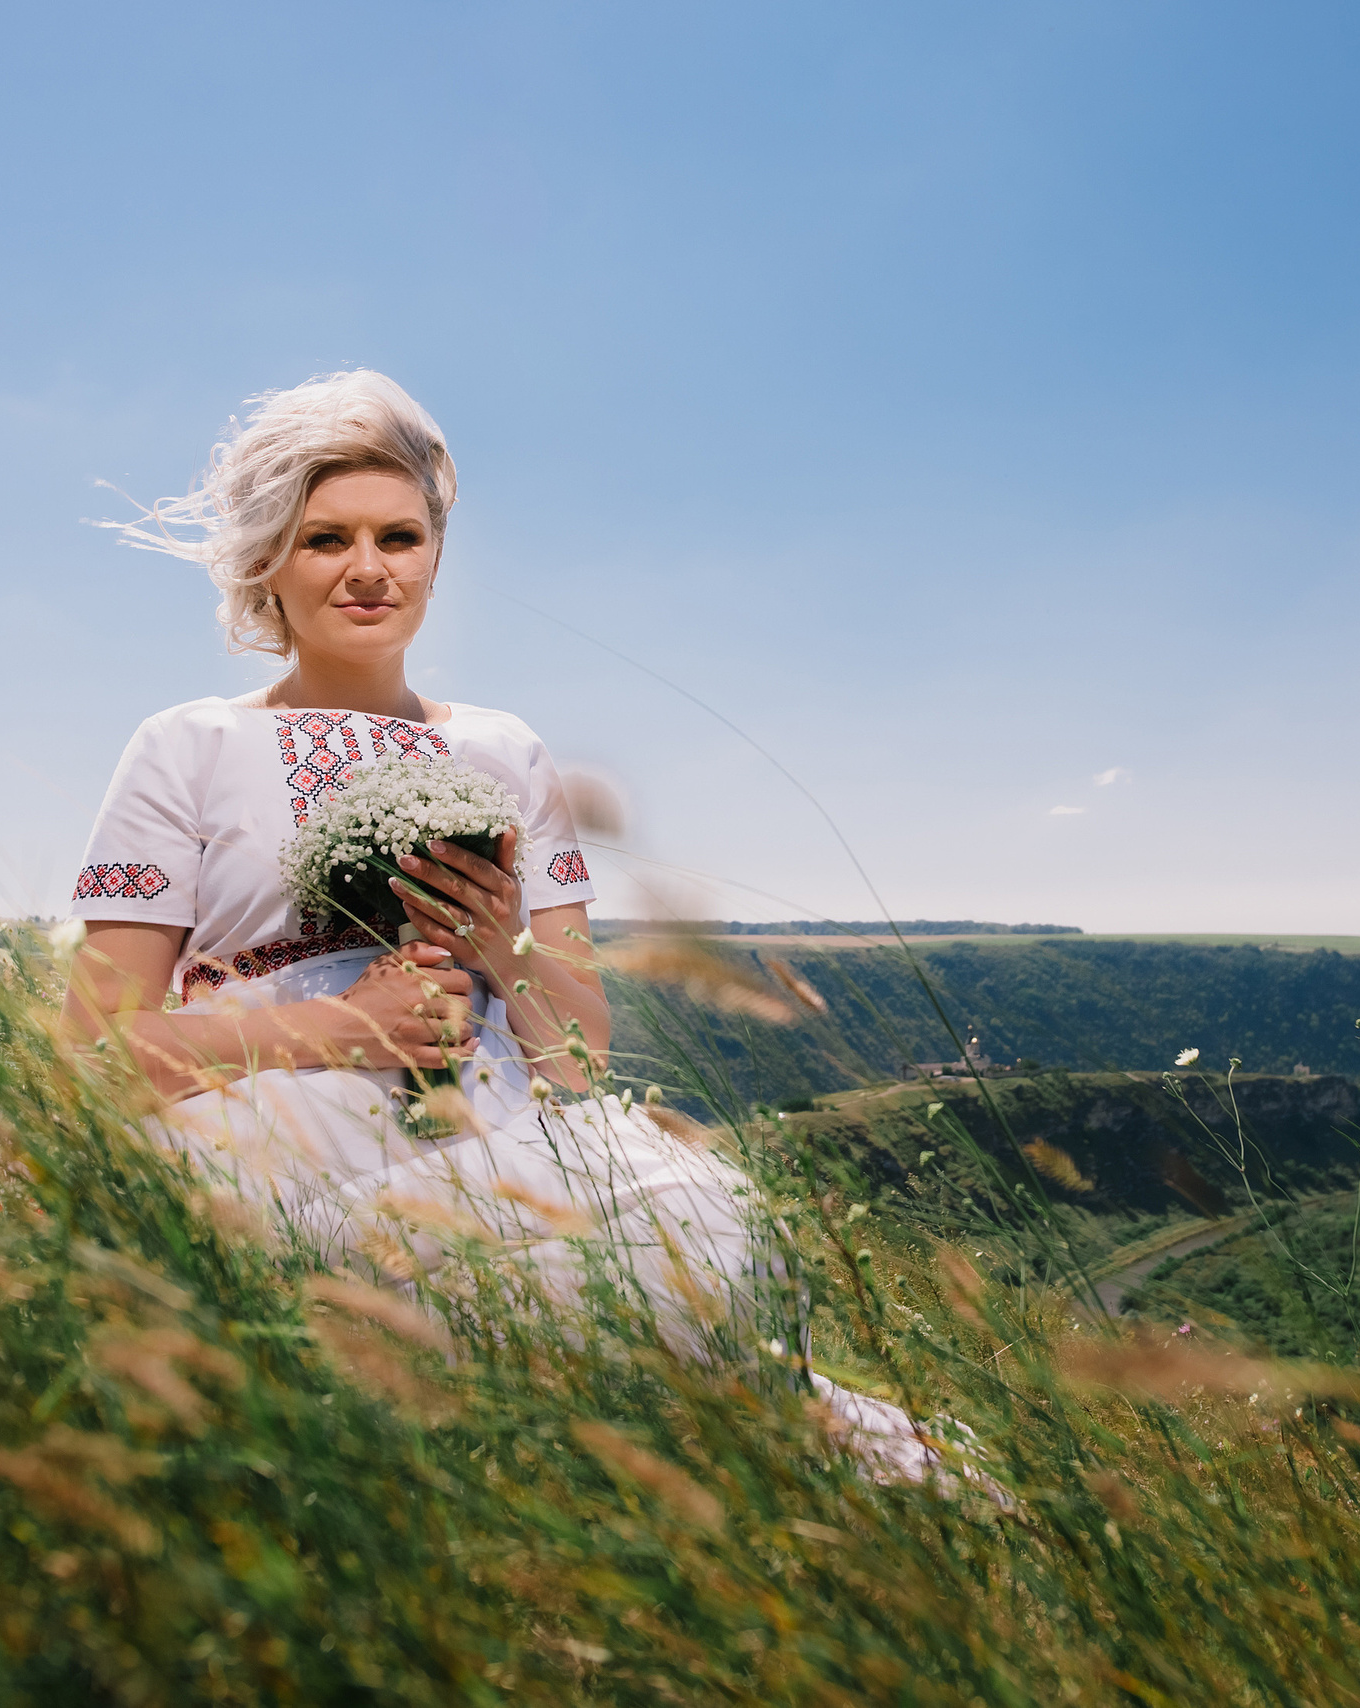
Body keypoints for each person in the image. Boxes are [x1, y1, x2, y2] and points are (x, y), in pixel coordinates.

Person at [62, 371, 932, 1481]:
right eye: (326, 537)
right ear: (266, 561)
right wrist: (340, 1032)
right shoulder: (182, 745)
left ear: (436, 553)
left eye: (401, 535)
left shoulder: (504, 751)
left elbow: (578, 1056)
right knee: (550, 1304)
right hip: (267, 1139)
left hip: (498, 1124)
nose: (369, 568)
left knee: (712, 1235)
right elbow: (92, 1056)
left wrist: (500, 945)